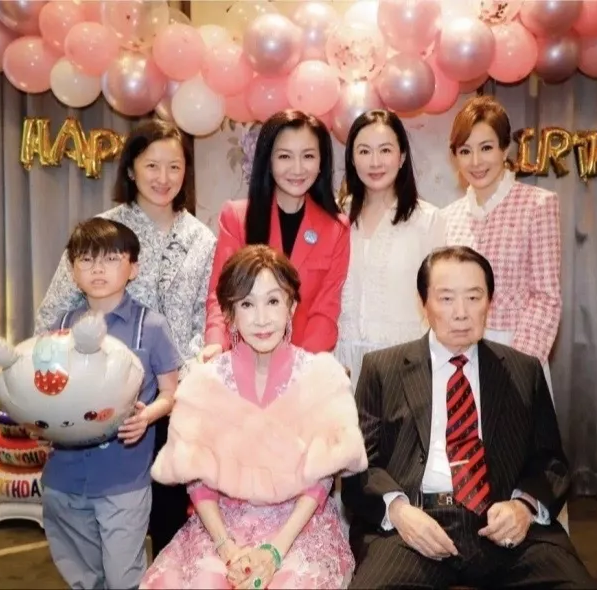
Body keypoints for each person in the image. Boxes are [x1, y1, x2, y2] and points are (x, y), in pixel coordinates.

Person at [341, 246, 597, 589]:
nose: (461, 313)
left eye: (474, 297)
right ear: (424, 303)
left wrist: (523, 507)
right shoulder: (383, 370)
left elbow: (551, 464)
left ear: (489, 301)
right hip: (416, 525)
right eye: (446, 298)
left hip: (502, 521)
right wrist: (399, 512)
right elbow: (360, 466)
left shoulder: (523, 370)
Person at [34, 119, 216, 559]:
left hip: (175, 396)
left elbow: (204, 316)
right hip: (105, 397)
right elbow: (53, 315)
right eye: (152, 165)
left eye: (174, 166)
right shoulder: (102, 231)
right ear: (131, 169)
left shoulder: (201, 238)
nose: (163, 177)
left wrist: (195, 370)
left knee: (171, 517)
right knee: (108, 524)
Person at [141, 245, 367, 589]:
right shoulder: (205, 382)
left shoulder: (321, 377)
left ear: (292, 306)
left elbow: (321, 480)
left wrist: (275, 551)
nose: (262, 318)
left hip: (299, 529)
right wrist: (227, 548)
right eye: (247, 304)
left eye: (273, 301)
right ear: (229, 314)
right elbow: (196, 477)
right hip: (221, 528)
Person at [42, 218, 182, 590]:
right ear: (73, 271)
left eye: (110, 258)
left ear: (133, 267)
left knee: (124, 578)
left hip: (123, 477)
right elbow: (45, 392)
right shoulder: (61, 327)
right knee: (83, 578)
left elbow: (171, 393)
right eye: (86, 260)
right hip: (64, 477)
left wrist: (148, 416)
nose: (98, 269)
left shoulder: (151, 327)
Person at [199, 110, 350, 362]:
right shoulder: (237, 217)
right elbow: (219, 294)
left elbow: (326, 309)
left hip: (303, 364)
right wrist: (216, 343)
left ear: (321, 162)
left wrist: (300, 365)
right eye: (284, 156)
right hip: (243, 360)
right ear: (268, 160)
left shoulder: (336, 228)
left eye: (308, 156)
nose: (297, 168)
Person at [442, 95, 562, 394]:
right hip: (459, 354)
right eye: (465, 151)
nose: (476, 162)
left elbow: (546, 298)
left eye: (486, 148)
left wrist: (517, 367)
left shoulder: (537, 205)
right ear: (455, 156)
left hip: (516, 349)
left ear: (505, 149)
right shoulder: (447, 217)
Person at [336, 109, 445, 386]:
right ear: (352, 159)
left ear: (402, 156)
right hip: (341, 365)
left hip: (403, 365)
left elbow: (440, 297)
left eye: (385, 150)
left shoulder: (427, 220)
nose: (375, 162)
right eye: (364, 151)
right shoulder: (335, 217)